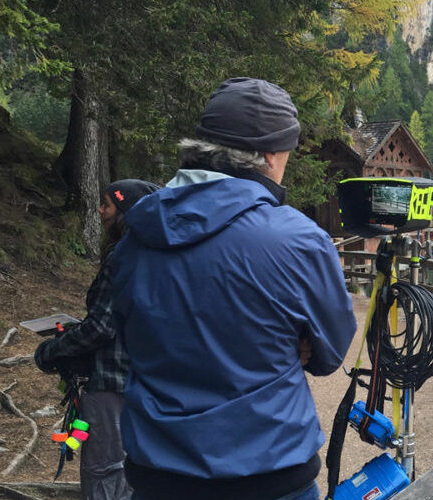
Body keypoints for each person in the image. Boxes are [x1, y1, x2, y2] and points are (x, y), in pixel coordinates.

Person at [109, 78, 356, 500]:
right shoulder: (298, 239)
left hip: (158, 477)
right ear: (271, 155)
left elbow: (131, 335)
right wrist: (286, 345)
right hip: (270, 475)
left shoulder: (135, 236)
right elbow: (329, 353)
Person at [34, 179, 159, 500]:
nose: (100, 211)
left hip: (110, 385)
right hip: (143, 381)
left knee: (104, 470)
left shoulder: (123, 257)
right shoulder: (156, 256)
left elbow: (101, 327)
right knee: (131, 469)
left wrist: (52, 349)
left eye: (106, 205)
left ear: (125, 211)